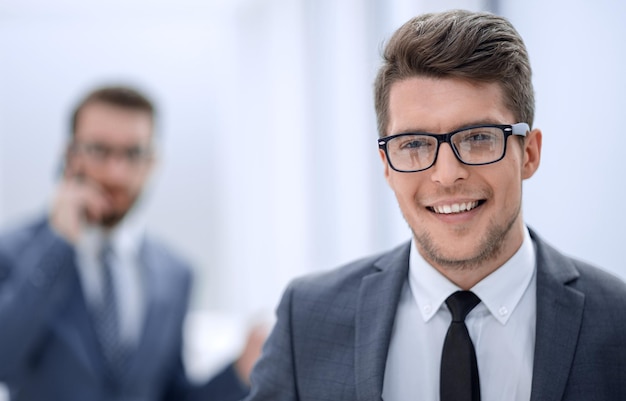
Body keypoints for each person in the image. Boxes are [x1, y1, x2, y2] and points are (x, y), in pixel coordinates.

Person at [244, 9, 626, 401]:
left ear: (528, 153)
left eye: (478, 137)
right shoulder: (307, 318)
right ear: (387, 168)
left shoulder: (617, 321)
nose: (447, 174)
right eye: (413, 144)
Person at [0, 85, 264, 400]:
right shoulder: (16, 252)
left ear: (152, 162)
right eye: (99, 150)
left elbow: (170, 395)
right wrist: (59, 242)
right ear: (69, 156)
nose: (116, 171)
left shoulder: (175, 273)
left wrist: (238, 372)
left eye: (133, 153)